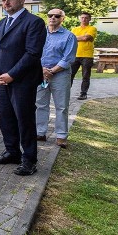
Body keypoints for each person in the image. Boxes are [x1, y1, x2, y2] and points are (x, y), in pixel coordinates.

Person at [0, 0, 47, 176]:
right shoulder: (2, 23)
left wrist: (11, 74)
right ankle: (12, 152)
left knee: (24, 120)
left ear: (22, 0)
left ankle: (29, 160)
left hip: (22, 81)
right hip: (2, 80)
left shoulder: (34, 22)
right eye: (3, 0)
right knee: (5, 118)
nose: (6, 3)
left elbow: (32, 53)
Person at [36, 9, 78, 149]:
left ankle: (61, 136)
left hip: (60, 75)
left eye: (57, 16)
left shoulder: (69, 36)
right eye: (50, 15)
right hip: (41, 74)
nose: (53, 18)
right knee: (40, 104)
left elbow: (68, 58)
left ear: (62, 19)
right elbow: (34, 53)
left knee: (61, 106)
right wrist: (42, 70)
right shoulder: (39, 34)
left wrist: (52, 71)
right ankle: (40, 132)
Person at [70, 11, 97, 100]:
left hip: (87, 55)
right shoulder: (74, 29)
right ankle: (65, 92)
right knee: (70, 74)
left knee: (85, 76)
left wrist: (77, 37)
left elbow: (86, 38)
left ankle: (83, 93)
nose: (84, 19)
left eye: (86, 18)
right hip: (75, 55)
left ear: (89, 19)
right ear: (79, 18)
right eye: (82, 17)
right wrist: (81, 37)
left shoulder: (92, 28)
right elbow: (70, 39)